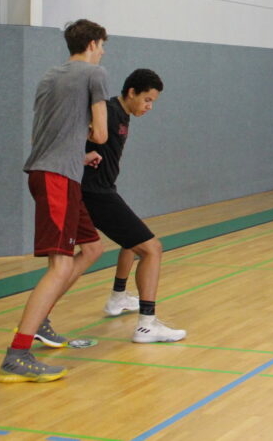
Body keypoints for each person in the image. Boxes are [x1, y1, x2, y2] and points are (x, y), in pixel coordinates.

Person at [0, 20, 110, 384]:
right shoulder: (95, 74)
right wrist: (87, 136)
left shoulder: (49, 76)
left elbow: (42, 135)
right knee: (60, 266)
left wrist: (77, 153)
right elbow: (101, 134)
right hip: (57, 178)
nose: (103, 53)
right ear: (92, 44)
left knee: (92, 248)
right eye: (102, 46)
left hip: (51, 172)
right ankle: (17, 355)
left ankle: (41, 318)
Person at [82, 69, 186, 343]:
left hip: (104, 190)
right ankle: (146, 325)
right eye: (147, 100)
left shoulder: (123, 114)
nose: (149, 107)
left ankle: (118, 297)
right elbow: (69, 135)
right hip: (94, 194)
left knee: (132, 241)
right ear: (131, 92)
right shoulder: (106, 111)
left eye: (153, 102)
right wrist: (82, 154)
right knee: (152, 249)